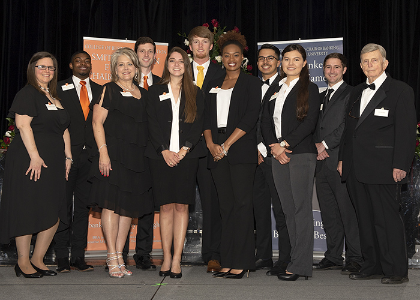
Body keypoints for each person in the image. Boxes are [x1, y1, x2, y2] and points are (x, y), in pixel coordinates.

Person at [338, 43, 416, 284]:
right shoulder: (357, 91)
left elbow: (406, 132)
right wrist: (342, 158)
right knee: (365, 218)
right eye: (365, 61)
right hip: (355, 166)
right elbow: (349, 129)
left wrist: (401, 164)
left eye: (374, 60)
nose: (369, 65)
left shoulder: (400, 90)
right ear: (360, 66)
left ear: (385, 63)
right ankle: (371, 264)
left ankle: (396, 270)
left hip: (384, 167)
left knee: (387, 219)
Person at [0, 52, 71, 278]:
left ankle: (38, 259)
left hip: (55, 162)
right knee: (27, 209)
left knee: (54, 209)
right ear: (32, 69)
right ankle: (22, 262)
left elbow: (64, 129)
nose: (47, 71)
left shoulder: (54, 97)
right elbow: (22, 125)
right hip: (29, 159)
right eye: (42, 67)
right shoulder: (28, 93)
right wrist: (35, 156)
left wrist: (68, 157)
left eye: (50, 68)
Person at [89, 47, 152, 278]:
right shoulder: (108, 90)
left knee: (127, 210)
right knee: (111, 205)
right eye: (120, 64)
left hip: (136, 158)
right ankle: (112, 255)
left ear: (136, 67)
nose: (125, 68)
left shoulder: (143, 93)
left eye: (129, 64)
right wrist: (103, 154)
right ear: (114, 68)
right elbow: (97, 124)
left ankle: (120, 257)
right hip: (113, 155)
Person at [203, 30, 261, 279]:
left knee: (242, 205)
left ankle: (243, 261)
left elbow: (250, 118)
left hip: (239, 150)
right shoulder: (214, 83)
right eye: (227, 55)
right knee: (225, 208)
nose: (231, 59)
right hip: (216, 151)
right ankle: (226, 260)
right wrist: (211, 145)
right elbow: (204, 118)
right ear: (221, 57)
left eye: (236, 55)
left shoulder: (251, 83)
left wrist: (225, 145)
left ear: (242, 58)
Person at [261, 44, 320, 281]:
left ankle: (301, 265)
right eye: (287, 59)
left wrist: (283, 144)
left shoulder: (311, 88)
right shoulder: (275, 87)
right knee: (287, 211)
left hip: (301, 154)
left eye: (296, 59)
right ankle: (295, 259)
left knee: (300, 209)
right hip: (277, 155)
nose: (291, 63)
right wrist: (273, 147)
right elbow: (264, 121)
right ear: (281, 63)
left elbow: (309, 123)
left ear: (304, 63)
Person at [145, 47, 205, 279]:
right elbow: (152, 124)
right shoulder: (155, 90)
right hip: (160, 157)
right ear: (167, 63)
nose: (177, 64)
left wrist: (183, 149)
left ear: (186, 65)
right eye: (172, 60)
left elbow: (198, 124)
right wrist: (164, 150)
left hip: (186, 157)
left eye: (181, 61)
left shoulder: (196, 92)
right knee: (165, 207)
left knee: (181, 207)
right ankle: (166, 257)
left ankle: (178, 258)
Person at [54, 51, 102, 273]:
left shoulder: (101, 90)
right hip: (66, 156)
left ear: (91, 65)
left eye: (87, 61)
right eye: (78, 61)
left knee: (83, 208)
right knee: (62, 206)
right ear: (71, 65)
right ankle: (62, 256)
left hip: (91, 157)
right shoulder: (58, 88)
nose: (83, 64)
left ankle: (78, 256)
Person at [314, 53, 363, 274]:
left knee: (347, 211)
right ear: (323, 70)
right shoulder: (321, 95)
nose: (331, 71)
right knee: (329, 212)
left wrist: (325, 144)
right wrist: (317, 145)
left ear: (344, 70)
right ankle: (333, 256)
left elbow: (348, 125)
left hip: (340, 160)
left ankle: (355, 256)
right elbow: (315, 125)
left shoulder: (353, 93)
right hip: (321, 163)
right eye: (328, 67)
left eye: (336, 67)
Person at [122, 37, 161, 271]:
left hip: (153, 152)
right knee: (123, 204)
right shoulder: (121, 81)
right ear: (135, 55)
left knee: (147, 204)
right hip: (127, 152)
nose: (146, 55)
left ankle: (143, 253)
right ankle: (119, 254)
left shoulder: (162, 83)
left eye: (150, 51)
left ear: (156, 56)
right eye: (142, 51)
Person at [188, 25, 225, 273]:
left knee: (212, 203)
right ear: (189, 47)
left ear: (211, 46)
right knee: (176, 202)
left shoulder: (223, 72)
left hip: (210, 146)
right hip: (182, 148)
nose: (200, 46)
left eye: (205, 42)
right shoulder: (176, 70)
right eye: (196, 42)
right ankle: (171, 254)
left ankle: (212, 254)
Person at [254, 44, 291, 274]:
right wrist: (255, 149)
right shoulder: (250, 85)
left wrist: (267, 148)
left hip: (277, 155)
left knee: (281, 209)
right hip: (254, 158)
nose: (265, 62)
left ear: (279, 62)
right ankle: (263, 256)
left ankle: (286, 258)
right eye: (261, 58)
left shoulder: (286, 85)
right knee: (258, 210)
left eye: (271, 58)